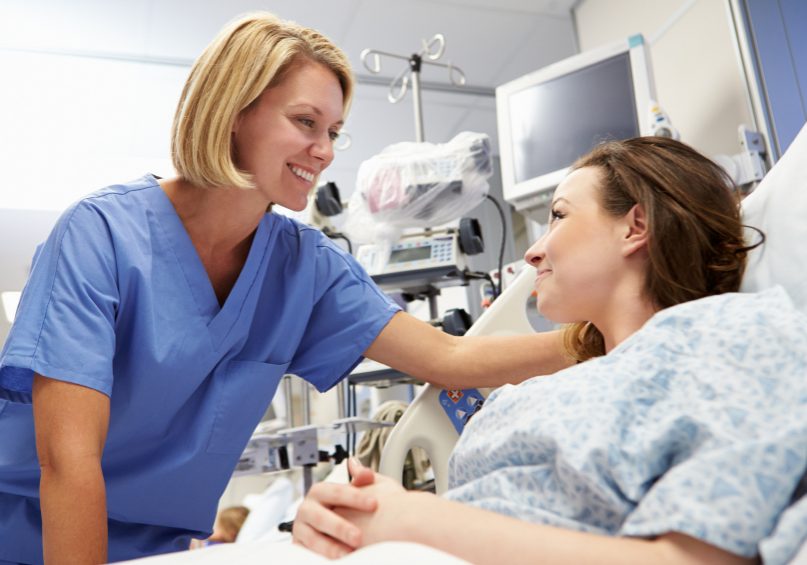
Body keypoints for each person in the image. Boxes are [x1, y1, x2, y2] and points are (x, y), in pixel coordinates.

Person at [0, 11, 571, 565]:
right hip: (34, 536)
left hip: (162, 548)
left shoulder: (306, 268)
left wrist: (604, 337)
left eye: (333, 133)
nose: (323, 150)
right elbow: (67, 463)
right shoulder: (100, 236)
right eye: (305, 122)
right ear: (232, 112)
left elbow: (449, 356)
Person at [293, 137, 807, 564]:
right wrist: (346, 517)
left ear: (636, 226)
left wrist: (416, 521)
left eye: (558, 217)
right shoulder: (537, 392)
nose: (533, 249)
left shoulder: (731, 335)